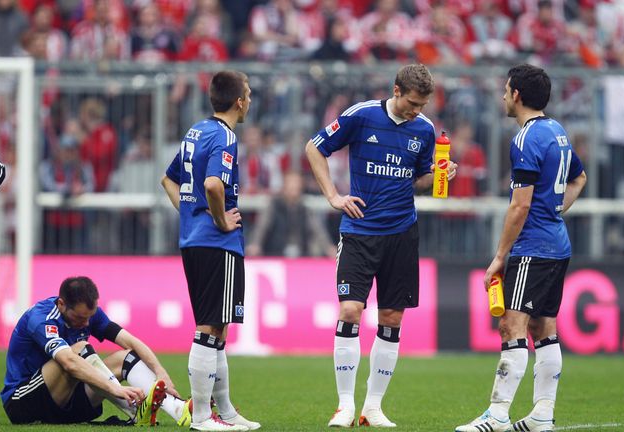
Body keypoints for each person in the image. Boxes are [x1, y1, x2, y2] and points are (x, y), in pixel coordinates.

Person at [305, 63, 457, 428]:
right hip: (359, 231)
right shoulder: (362, 116)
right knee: (350, 311)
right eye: (412, 103)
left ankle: (372, 407)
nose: (417, 111)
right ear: (396, 90)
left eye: (422, 105)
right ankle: (344, 405)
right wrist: (333, 195)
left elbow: (419, 178)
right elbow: (314, 148)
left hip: (402, 233)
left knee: (391, 318)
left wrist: (440, 173)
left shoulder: (423, 130)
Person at [455, 64, 587, 432]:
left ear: (516, 95)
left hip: (534, 247)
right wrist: (556, 209)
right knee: (544, 327)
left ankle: (497, 415)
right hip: (557, 244)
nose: (502, 96)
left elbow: (520, 205)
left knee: (512, 324)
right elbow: (579, 177)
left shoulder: (526, 139)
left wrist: (500, 256)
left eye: (505, 89)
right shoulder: (557, 131)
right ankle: (543, 415)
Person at [161, 70, 260, 431]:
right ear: (239, 101)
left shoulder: (196, 131)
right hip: (218, 243)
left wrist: (190, 216)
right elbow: (213, 185)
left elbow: (168, 179)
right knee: (209, 327)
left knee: (217, 328)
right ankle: (202, 416)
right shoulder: (225, 136)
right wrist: (217, 221)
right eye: (247, 94)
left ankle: (227, 412)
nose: (249, 100)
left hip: (194, 239)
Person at [0, 276, 192, 426]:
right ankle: (134, 410)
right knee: (79, 350)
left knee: (124, 357)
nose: (86, 323)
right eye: (79, 318)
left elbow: (131, 342)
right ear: (61, 304)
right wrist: (114, 388)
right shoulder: (41, 318)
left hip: (66, 403)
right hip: (23, 404)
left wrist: (161, 373)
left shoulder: (90, 316)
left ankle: (178, 408)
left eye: (89, 317)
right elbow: (68, 362)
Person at [246, 170, 336, 258]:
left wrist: (328, 247)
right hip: (275, 253)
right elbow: (261, 227)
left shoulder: (305, 209)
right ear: (284, 186)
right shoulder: (273, 206)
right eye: (291, 185)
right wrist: (255, 244)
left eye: (296, 185)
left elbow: (318, 230)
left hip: (301, 254)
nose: (294, 188)